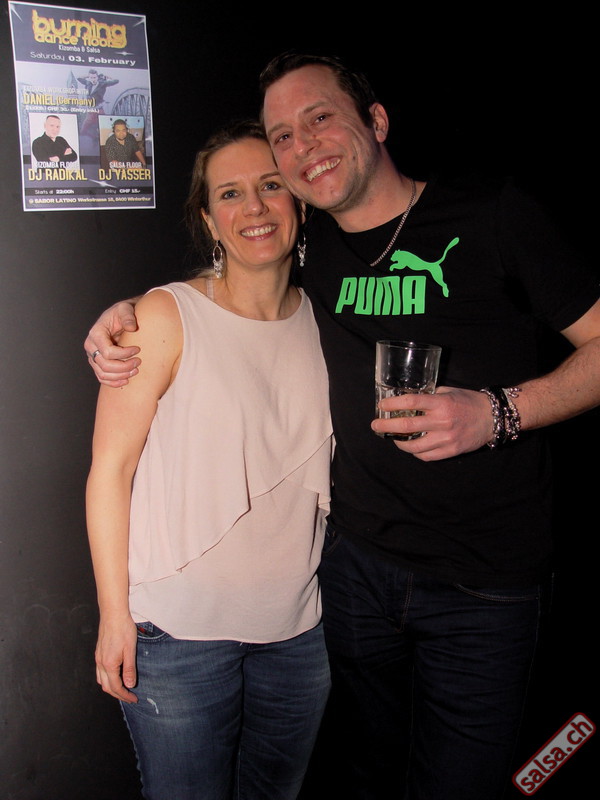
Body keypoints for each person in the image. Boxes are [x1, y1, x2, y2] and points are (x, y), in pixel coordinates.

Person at [84, 53, 600, 800]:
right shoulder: (312, 254)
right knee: (358, 779)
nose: (302, 148)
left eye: (320, 118)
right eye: (282, 136)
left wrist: (499, 412)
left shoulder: (491, 215)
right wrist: (123, 315)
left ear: (376, 120)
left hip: (479, 587)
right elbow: (218, 302)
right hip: (353, 581)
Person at [85, 118, 332, 800]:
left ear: (298, 201)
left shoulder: (328, 319)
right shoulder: (165, 317)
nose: (254, 207)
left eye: (271, 185)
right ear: (208, 219)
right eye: (230, 193)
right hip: (177, 637)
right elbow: (110, 473)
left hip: (298, 636)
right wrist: (114, 615)